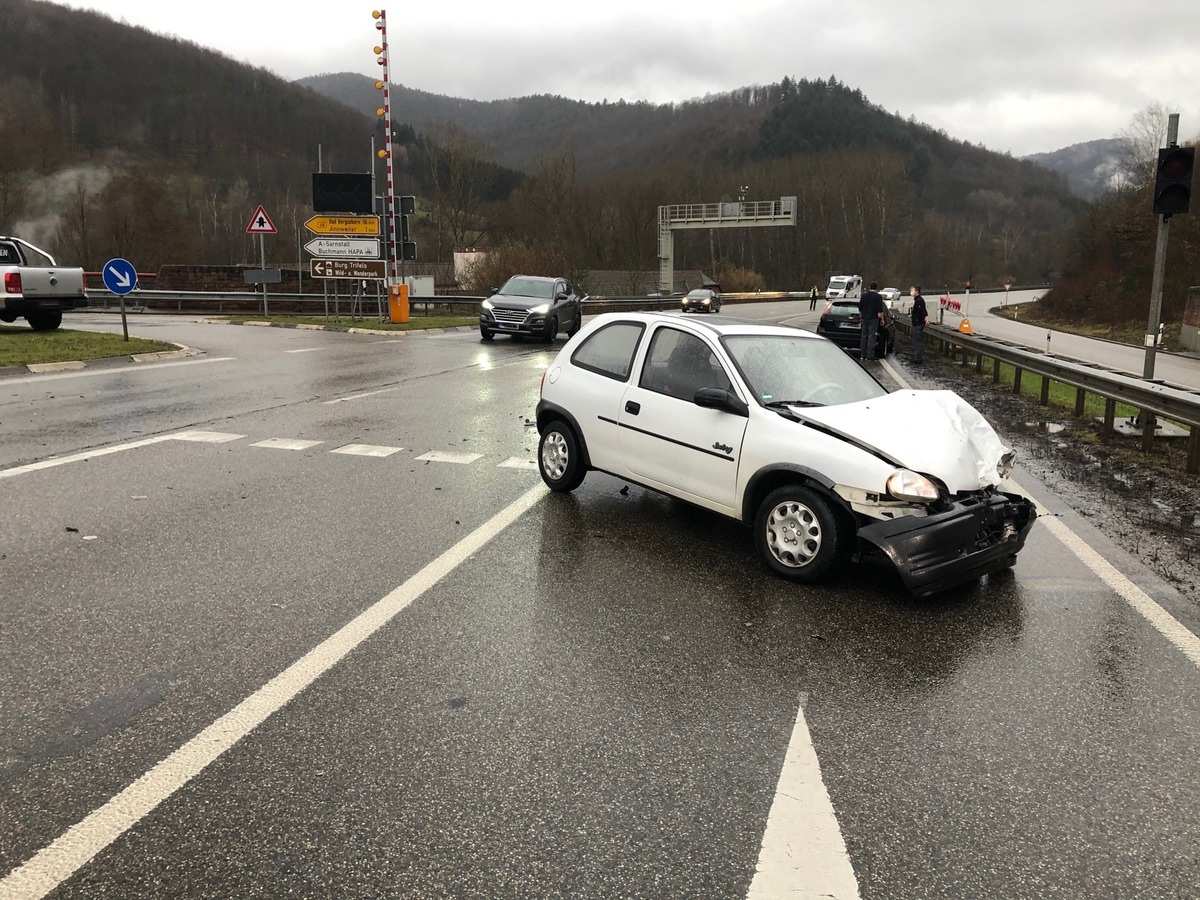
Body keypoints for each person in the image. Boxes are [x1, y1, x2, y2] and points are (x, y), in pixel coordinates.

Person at [858, 281, 885, 360]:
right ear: (876, 288)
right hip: (873, 319)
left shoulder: (864, 296)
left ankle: (862, 354)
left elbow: (860, 308)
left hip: (864, 318)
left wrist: (861, 317)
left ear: (869, 287)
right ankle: (870, 354)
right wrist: (882, 319)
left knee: (863, 336)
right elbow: (880, 310)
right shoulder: (878, 297)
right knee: (871, 337)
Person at [910, 285, 928, 363]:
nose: (911, 292)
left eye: (912, 291)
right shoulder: (918, 300)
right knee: (917, 341)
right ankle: (916, 357)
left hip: (918, 323)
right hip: (917, 323)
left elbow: (922, 311)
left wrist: (924, 317)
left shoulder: (919, 300)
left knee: (917, 341)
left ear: (917, 291)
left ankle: (917, 358)